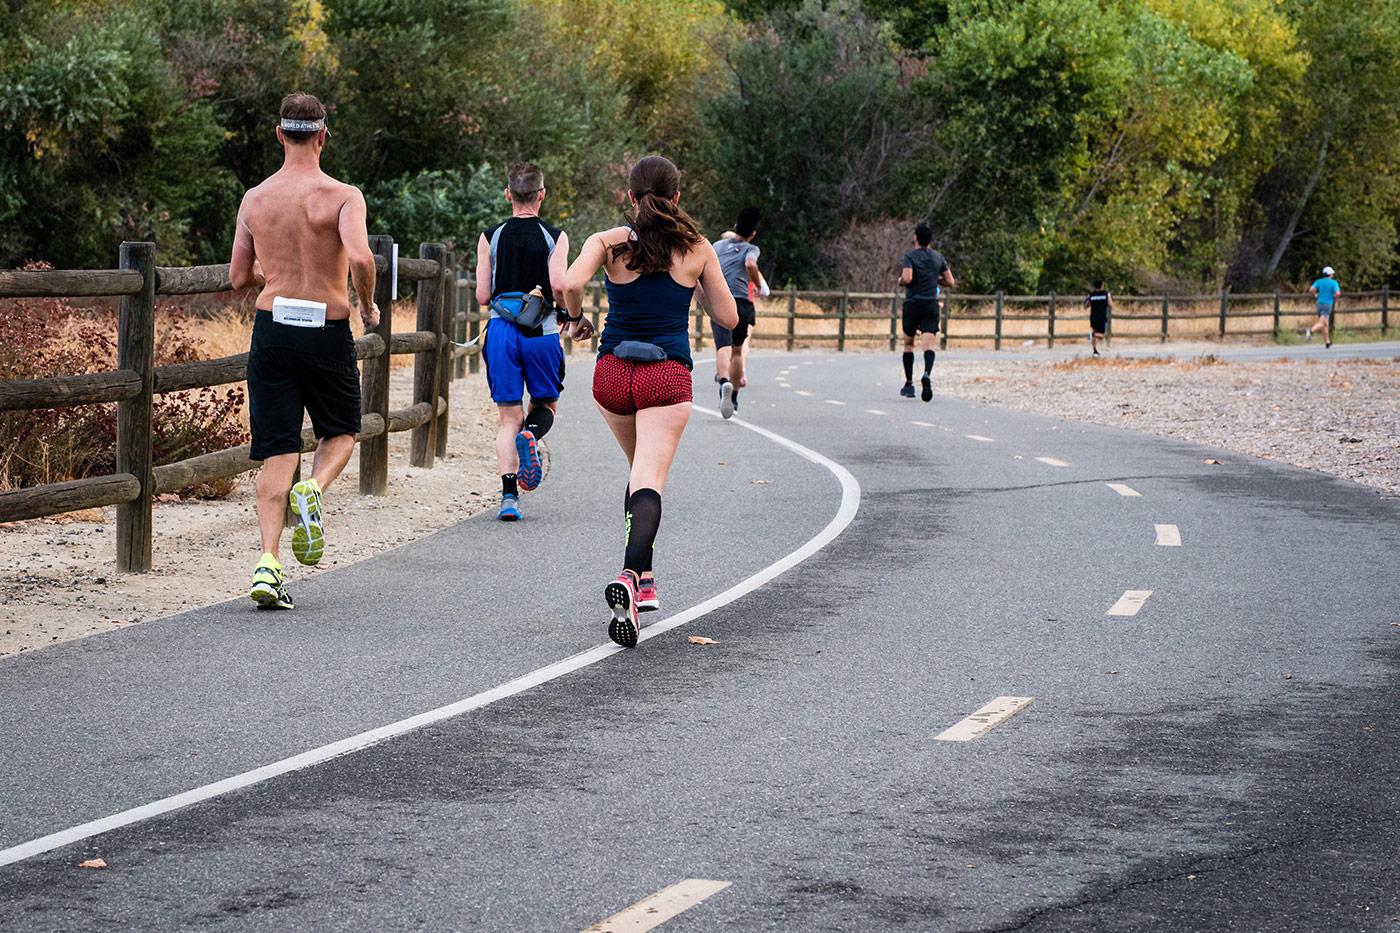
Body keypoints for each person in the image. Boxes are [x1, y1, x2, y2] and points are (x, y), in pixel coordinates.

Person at [562, 155, 738, 647]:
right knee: (650, 480)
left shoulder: (610, 242)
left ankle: (644, 581)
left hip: (614, 372)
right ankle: (628, 575)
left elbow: (571, 284)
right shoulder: (697, 248)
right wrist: (696, 284)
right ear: (677, 197)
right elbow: (727, 314)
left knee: (638, 472)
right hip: (666, 374)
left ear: (630, 196)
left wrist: (575, 319)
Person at [229, 92, 379, 611]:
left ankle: (268, 563)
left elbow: (236, 277)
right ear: (322, 136)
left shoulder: (255, 198)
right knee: (341, 431)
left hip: (272, 327)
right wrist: (368, 304)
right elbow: (359, 255)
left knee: (276, 449)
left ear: (278, 135)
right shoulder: (341, 195)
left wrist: (269, 274)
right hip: (326, 328)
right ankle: (313, 487)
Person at [475, 163, 587, 521]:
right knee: (546, 402)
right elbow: (559, 285)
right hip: (541, 330)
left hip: (501, 331)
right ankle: (533, 434)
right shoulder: (555, 235)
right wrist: (574, 315)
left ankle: (509, 498)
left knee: (508, 418)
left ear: (508, 194)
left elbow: (481, 295)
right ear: (542, 194)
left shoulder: (489, 236)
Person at [711, 208, 769, 418]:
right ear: (753, 233)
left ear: (735, 226)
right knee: (737, 350)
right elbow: (750, 263)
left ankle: (724, 382)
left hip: (720, 299)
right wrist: (757, 283)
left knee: (722, 346)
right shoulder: (751, 249)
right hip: (742, 302)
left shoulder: (717, 246)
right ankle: (733, 396)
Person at [899, 222, 954, 401]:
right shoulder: (938, 257)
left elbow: (907, 278)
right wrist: (935, 280)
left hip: (913, 304)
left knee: (908, 344)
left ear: (915, 238)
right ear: (930, 240)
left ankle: (908, 384)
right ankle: (927, 374)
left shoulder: (910, 256)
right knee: (928, 345)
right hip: (931, 304)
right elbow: (950, 281)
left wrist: (900, 280)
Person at [1306, 266, 1340, 348]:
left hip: (1319, 303)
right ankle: (1310, 331)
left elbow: (1311, 289)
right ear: (1330, 274)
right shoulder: (1334, 283)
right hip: (1327, 304)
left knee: (1325, 324)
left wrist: (1315, 295)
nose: (1333, 275)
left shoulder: (1319, 281)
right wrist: (1334, 297)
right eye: (1332, 273)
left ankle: (1327, 342)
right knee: (1321, 323)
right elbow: (1338, 293)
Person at [1086, 280, 1113, 356]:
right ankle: (1092, 335)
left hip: (1093, 317)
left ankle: (1095, 350)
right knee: (1101, 335)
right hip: (1101, 317)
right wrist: (1109, 297)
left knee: (1095, 332)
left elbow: (1086, 305)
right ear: (1101, 285)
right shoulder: (1105, 294)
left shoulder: (1091, 295)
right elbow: (1110, 304)